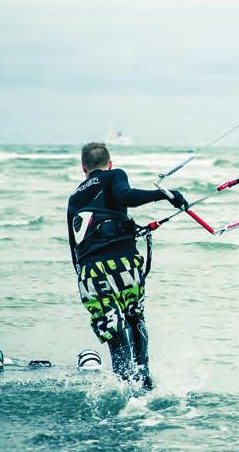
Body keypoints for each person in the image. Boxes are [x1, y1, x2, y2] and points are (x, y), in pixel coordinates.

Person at [67, 142, 188, 389]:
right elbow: (125, 196)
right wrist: (165, 194)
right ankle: (144, 379)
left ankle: (125, 384)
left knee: (112, 326)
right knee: (134, 317)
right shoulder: (115, 174)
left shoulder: (74, 197)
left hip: (90, 273)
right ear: (109, 163)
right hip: (123, 265)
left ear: (83, 168)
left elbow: (74, 245)